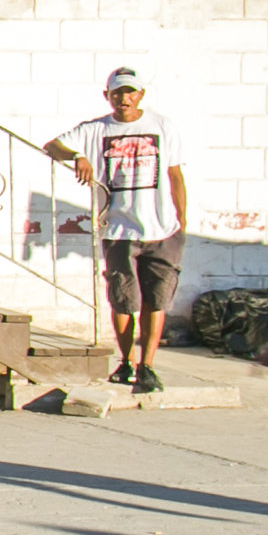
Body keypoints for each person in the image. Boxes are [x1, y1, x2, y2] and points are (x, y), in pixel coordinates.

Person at [44, 67, 188, 394]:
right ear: (107, 96)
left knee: (157, 299)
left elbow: (175, 174)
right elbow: (52, 146)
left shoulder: (162, 125)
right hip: (119, 229)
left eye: (130, 92)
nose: (124, 99)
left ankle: (147, 365)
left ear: (141, 95)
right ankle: (125, 361)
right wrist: (78, 156)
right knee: (123, 299)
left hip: (161, 228)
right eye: (117, 93)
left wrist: (181, 219)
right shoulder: (96, 130)